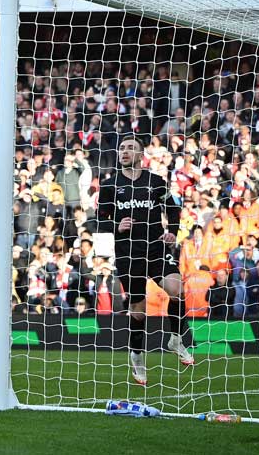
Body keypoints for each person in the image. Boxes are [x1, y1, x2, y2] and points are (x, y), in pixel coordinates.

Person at [98, 137, 196, 385]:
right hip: (128, 253)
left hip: (155, 248)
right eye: (121, 148)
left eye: (130, 148)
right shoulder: (110, 185)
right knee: (139, 313)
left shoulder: (155, 181)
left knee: (177, 289)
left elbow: (173, 208)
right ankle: (138, 357)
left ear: (142, 155)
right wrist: (116, 225)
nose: (125, 151)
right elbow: (99, 218)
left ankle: (175, 339)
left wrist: (172, 229)